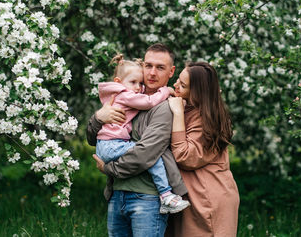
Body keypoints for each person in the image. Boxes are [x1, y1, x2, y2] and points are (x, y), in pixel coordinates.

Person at [87, 43, 188, 237]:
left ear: (171, 71)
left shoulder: (164, 107)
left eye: (160, 67)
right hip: (118, 194)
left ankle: (167, 195)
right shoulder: (130, 97)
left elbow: (144, 154)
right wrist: (99, 118)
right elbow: (93, 139)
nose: (151, 73)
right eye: (148, 65)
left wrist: (108, 169)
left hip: (146, 198)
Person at [165, 61, 240, 237]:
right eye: (178, 80)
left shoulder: (206, 119)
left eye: (182, 85)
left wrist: (177, 113)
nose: (175, 85)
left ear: (196, 94)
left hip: (208, 200)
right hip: (196, 196)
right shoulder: (191, 108)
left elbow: (185, 156)